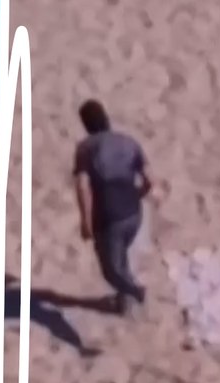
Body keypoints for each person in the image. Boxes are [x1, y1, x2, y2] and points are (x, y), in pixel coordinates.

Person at [72, 99, 152, 315]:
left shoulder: (86, 148)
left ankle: (135, 291)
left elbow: (82, 186)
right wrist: (137, 196)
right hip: (134, 214)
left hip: (108, 217)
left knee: (111, 270)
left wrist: (86, 220)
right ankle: (124, 301)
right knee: (120, 254)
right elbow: (149, 180)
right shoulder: (129, 142)